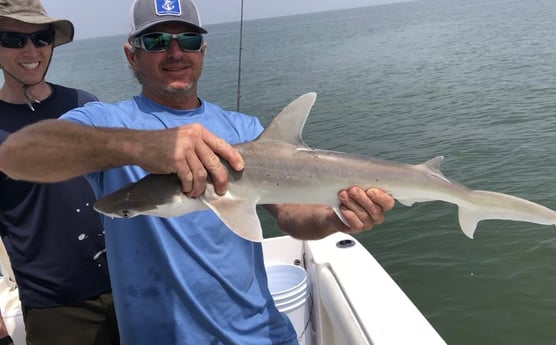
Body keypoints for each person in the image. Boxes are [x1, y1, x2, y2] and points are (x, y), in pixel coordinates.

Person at [0, 0, 396, 344]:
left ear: (202, 50)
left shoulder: (244, 129)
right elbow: (21, 154)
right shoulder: (105, 120)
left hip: (261, 335)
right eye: (155, 41)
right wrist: (143, 146)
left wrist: (336, 216)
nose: (175, 52)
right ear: (131, 55)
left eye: (187, 40)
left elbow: (293, 215)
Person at [0, 1, 120, 345]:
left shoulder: (85, 104)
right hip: (55, 308)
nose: (31, 50)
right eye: (13, 38)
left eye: (41, 37)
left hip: (127, 284)